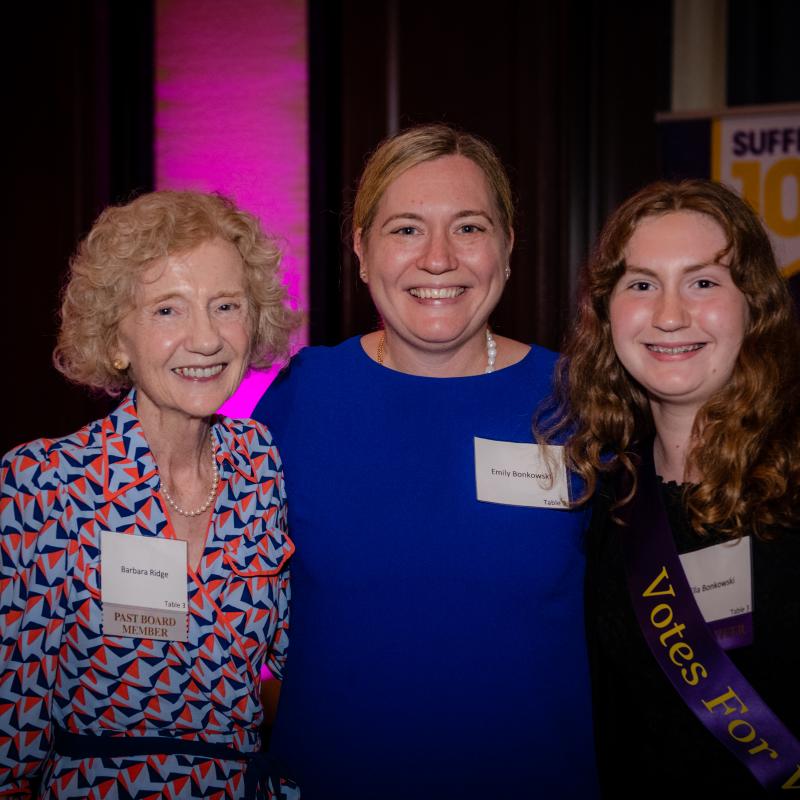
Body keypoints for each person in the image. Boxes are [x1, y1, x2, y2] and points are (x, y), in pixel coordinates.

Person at [252, 124, 599, 797]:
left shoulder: (581, 400)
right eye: (406, 229)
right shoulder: (304, 395)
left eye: (469, 228)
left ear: (507, 245)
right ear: (359, 249)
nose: (438, 259)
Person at [0, 191, 301, 798]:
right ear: (116, 340)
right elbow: (12, 733)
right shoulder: (45, 482)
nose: (206, 338)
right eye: (168, 310)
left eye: (225, 306)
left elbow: (298, 658)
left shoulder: (261, 463)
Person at [540, 179, 800, 794]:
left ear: (754, 304)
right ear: (606, 312)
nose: (669, 315)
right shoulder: (600, 493)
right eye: (641, 284)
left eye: (703, 282)